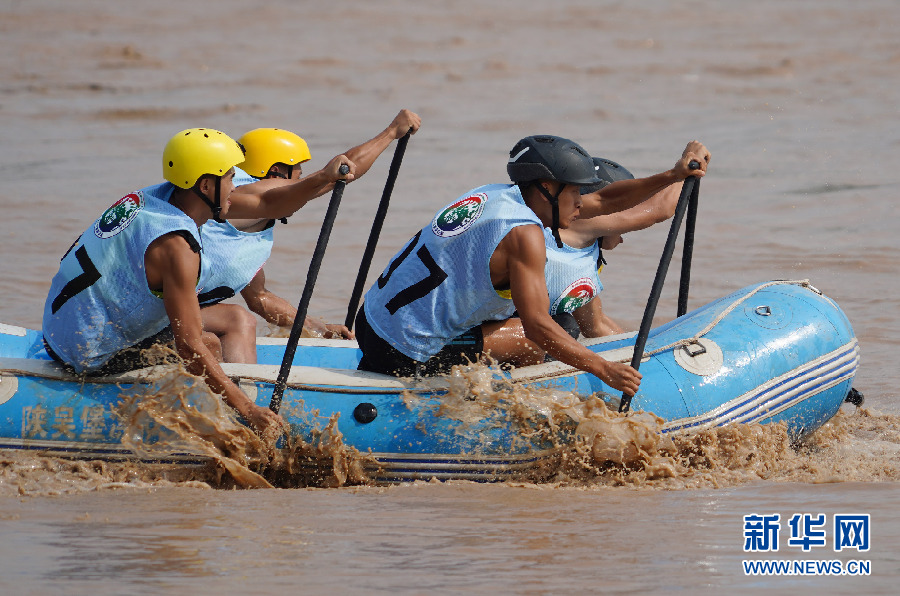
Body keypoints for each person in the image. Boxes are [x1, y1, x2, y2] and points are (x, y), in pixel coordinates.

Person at [41, 128, 356, 432]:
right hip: (88, 352)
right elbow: (189, 345)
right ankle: (228, 430)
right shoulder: (178, 248)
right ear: (206, 185)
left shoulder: (155, 197)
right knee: (206, 344)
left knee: (235, 316)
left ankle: (237, 401)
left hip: (63, 325)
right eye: (231, 177)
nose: (236, 187)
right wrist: (247, 408)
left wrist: (328, 177)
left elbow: (270, 202)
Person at [353, 134, 642, 396]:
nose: (580, 204)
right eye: (575, 194)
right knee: (538, 338)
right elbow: (553, 328)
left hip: (370, 318)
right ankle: (516, 409)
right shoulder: (540, 244)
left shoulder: (494, 196)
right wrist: (604, 368)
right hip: (402, 347)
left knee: (554, 325)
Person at [198, 110, 421, 362]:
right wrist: (390, 133)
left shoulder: (242, 219)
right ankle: (246, 399)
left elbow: (260, 298)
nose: (303, 178)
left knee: (216, 336)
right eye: (299, 172)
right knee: (232, 323)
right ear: (276, 172)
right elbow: (345, 173)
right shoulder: (244, 197)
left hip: (178, 311)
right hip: (162, 314)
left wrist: (319, 330)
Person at [547, 141, 711, 339]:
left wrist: (641, 357)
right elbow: (661, 209)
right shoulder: (577, 223)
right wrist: (688, 163)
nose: (622, 237)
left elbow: (596, 325)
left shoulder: (580, 255)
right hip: (507, 323)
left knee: (565, 325)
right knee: (564, 327)